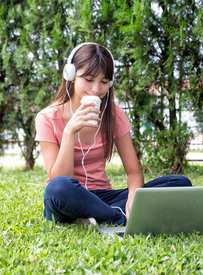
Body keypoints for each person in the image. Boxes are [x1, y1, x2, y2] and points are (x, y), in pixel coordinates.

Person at [35, 43, 192, 226]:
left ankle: (98, 216)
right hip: (68, 197)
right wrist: (69, 131)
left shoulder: (114, 115)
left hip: (104, 197)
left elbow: (134, 173)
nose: (96, 89)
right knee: (58, 188)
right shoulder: (47, 118)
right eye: (89, 79)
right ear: (70, 76)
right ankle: (118, 218)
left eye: (104, 82)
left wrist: (134, 198)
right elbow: (59, 178)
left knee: (180, 182)